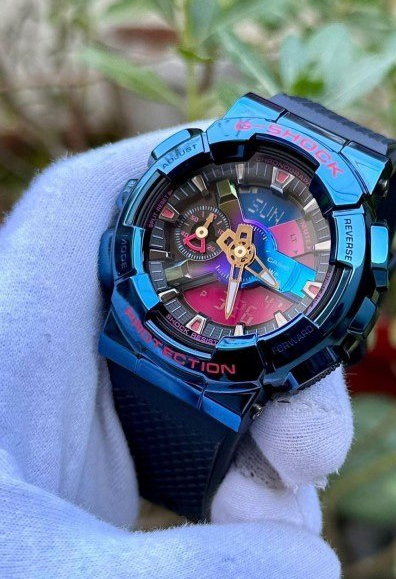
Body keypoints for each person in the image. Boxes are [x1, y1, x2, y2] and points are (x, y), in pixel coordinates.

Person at [0, 124, 353, 579]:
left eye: (244, 249)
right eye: (231, 244)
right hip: (139, 339)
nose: (238, 252)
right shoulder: (188, 215)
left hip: (218, 371)